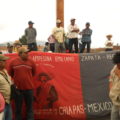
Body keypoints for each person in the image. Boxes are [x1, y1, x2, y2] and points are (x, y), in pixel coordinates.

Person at [8, 47, 36, 120]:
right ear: (20, 54)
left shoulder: (31, 62)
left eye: (28, 53)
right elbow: (10, 74)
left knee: (30, 108)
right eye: (25, 53)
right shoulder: (13, 62)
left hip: (29, 89)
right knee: (18, 109)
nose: (28, 54)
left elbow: (33, 73)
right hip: (17, 90)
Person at [0, 54, 12, 120]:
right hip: (1, 104)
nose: (6, 62)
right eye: (4, 61)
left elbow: (9, 82)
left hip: (8, 101)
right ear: (0, 62)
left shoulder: (5, 71)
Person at [109, 52, 120, 120]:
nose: (117, 66)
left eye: (119, 64)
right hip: (115, 98)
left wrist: (119, 74)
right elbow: (110, 80)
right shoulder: (115, 68)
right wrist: (110, 90)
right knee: (114, 117)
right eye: (116, 64)